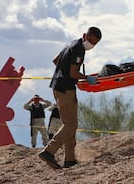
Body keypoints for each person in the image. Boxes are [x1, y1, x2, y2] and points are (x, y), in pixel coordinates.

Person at [39, 26, 102, 170]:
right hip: (66, 89)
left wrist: (64, 70)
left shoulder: (71, 44)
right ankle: (49, 151)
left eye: (94, 44)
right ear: (85, 35)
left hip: (57, 86)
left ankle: (70, 159)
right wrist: (87, 78)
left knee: (69, 123)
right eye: (91, 41)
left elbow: (56, 60)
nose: (91, 45)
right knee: (71, 125)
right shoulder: (79, 49)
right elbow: (74, 73)